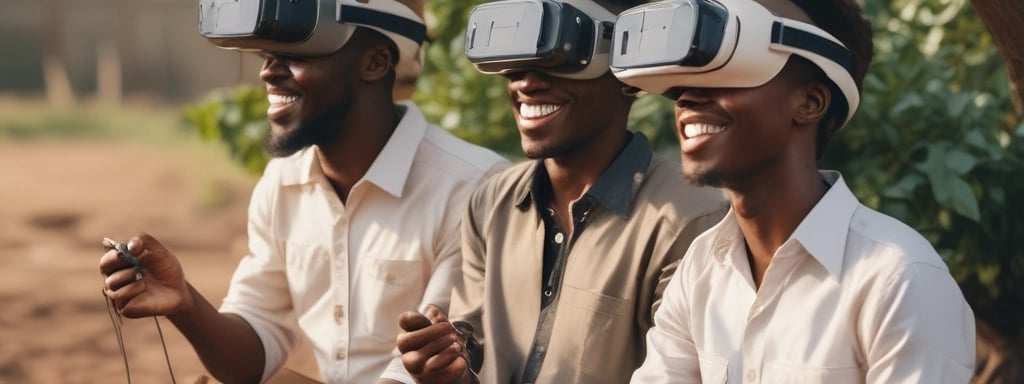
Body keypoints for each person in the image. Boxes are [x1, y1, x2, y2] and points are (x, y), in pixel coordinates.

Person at [98, 1, 507, 383]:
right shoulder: (281, 182)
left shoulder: (474, 189)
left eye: (296, 52)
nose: (268, 72)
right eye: (266, 55)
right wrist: (184, 301)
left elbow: (429, 368)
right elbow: (252, 351)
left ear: (376, 62)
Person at [611, 0, 976, 382]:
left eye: (729, 71)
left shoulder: (898, 279)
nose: (687, 99)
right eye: (682, 83)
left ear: (810, 102)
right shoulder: (700, 269)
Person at [393, 1, 729, 383]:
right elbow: (476, 354)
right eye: (514, 68)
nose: (525, 84)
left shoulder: (692, 218)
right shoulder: (491, 201)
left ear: (628, 75)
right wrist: (448, 367)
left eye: (558, 60)